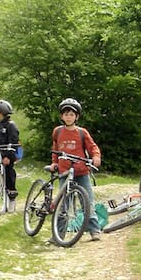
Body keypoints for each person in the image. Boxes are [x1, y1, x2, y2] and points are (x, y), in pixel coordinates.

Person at [49, 98, 102, 241]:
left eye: (71, 114)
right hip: (64, 173)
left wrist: (96, 157)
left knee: (87, 202)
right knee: (63, 205)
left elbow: (93, 147)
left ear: (77, 116)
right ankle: (58, 234)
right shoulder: (58, 132)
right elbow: (55, 150)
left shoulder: (82, 132)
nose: (68, 117)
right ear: (61, 116)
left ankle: (94, 230)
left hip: (81, 172)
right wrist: (54, 163)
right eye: (66, 114)